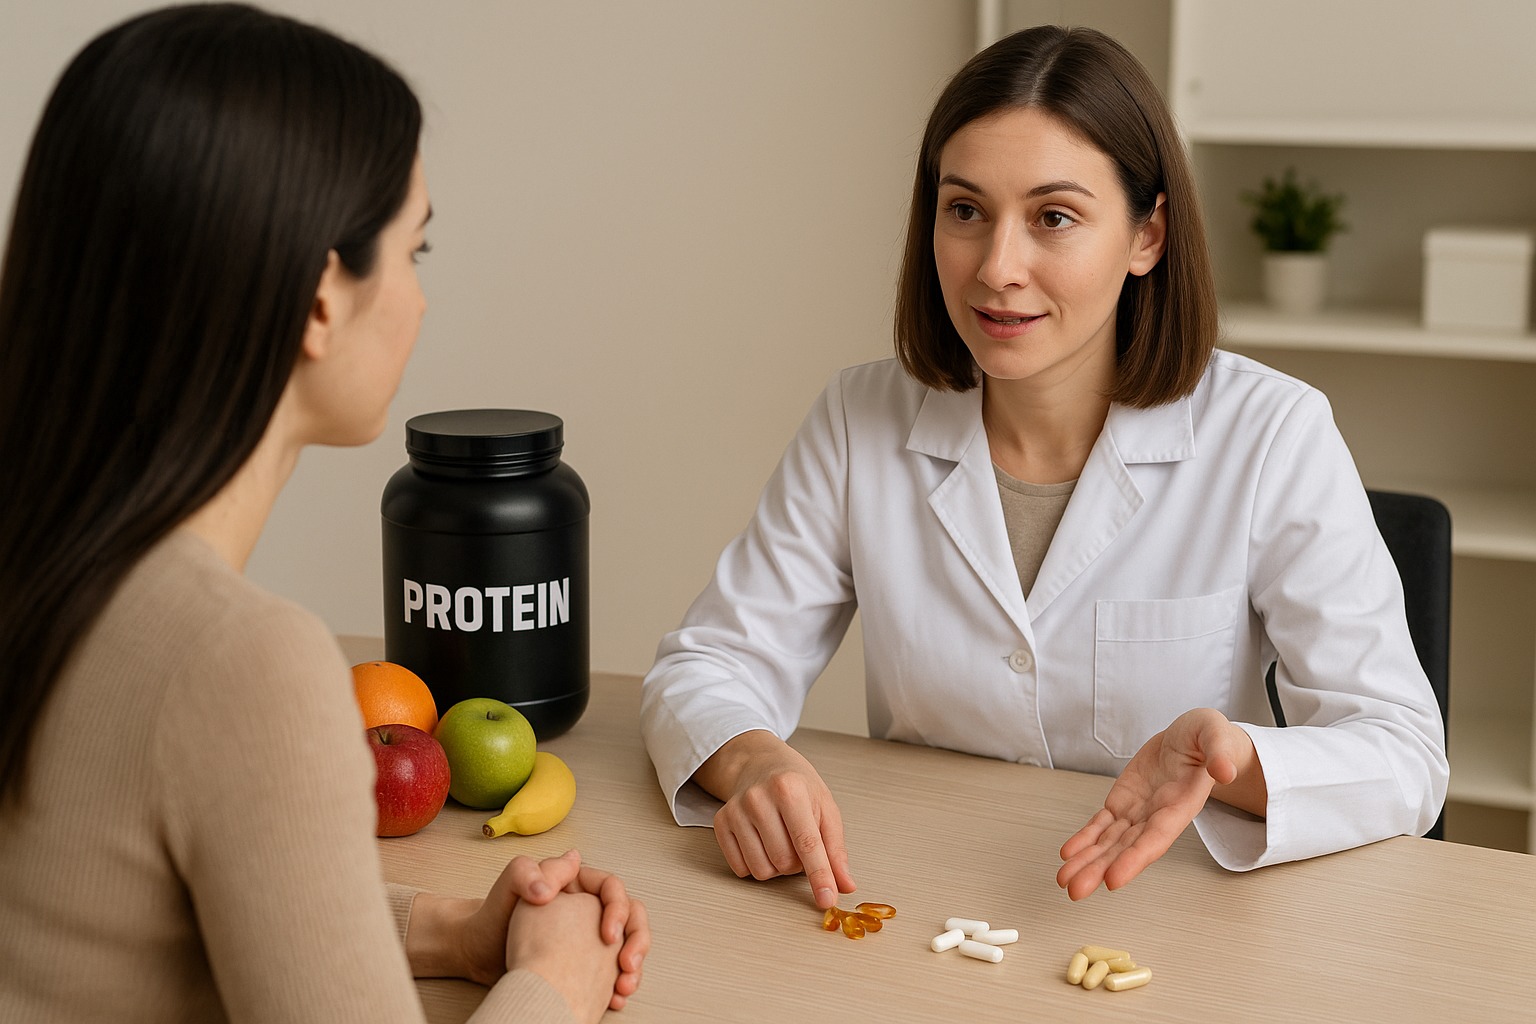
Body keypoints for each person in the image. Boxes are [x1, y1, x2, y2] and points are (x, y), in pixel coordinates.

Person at [640, 24, 1447, 907]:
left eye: (1053, 217)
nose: (997, 268)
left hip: (1169, 914)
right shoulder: (859, 416)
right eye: (966, 210)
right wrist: (750, 756)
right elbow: (707, 665)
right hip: (924, 895)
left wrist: (1236, 762)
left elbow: (1403, 753)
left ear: (1147, 237)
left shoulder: (1271, 434)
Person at [0, 6, 646, 1023]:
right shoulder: (241, 662)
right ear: (317, 300)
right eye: (412, 252)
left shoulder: (44, 558)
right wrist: (553, 983)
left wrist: (443, 928)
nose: (421, 303)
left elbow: (132, 910)